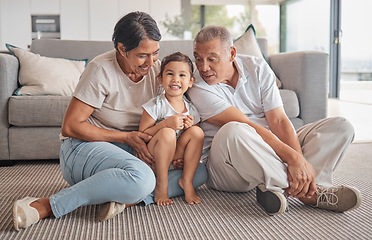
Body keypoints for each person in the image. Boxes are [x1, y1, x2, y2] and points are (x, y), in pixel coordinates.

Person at [12, 12, 207, 231]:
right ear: (122, 49)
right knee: (142, 178)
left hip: (133, 151)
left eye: (155, 54)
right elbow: (71, 126)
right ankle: (47, 205)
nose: (151, 63)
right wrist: (126, 137)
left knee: (198, 173)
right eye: (143, 55)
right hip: (85, 148)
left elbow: (174, 104)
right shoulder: (100, 69)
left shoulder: (157, 70)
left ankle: (122, 197)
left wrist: (175, 152)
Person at [187, 25, 362, 215]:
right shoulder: (197, 86)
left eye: (212, 59)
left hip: (270, 149)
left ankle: (279, 185)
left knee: (340, 127)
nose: (203, 67)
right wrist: (292, 158)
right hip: (228, 165)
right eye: (198, 58)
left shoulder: (257, 67)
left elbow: (278, 120)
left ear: (231, 53)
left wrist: (299, 161)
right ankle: (312, 193)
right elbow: (248, 126)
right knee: (234, 130)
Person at [139, 52, 204, 206]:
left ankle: (186, 180)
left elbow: (195, 141)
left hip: (175, 158)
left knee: (197, 132)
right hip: (155, 157)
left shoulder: (191, 108)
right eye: (170, 74)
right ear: (160, 79)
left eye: (182, 75)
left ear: (190, 82)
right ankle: (162, 184)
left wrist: (189, 128)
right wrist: (165, 124)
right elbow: (142, 134)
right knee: (167, 133)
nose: (176, 79)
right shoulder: (155, 105)